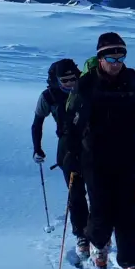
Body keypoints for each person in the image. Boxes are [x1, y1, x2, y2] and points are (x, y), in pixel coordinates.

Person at [67, 32, 135, 269]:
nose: (116, 62)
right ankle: (99, 245)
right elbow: (72, 122)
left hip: (126, 153)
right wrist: (71, 153)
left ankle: (131, 261)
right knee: (100, 207)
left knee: (128, 210)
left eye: (121, 56)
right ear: (100, 58)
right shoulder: (86, 84)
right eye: (111, 57)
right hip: (94, 155)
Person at [33, 59, 89, 251]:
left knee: (99, 191)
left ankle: (100, 233)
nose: (70, 84)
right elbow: (37, 122)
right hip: (66, 148)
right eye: (64, 81)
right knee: (76, 193)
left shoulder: (87, 90)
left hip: (92, 144)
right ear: (56, 81)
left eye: (73, 79)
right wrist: (37, 148)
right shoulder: (49, 96)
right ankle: (81, 234)